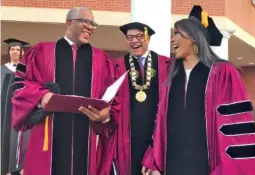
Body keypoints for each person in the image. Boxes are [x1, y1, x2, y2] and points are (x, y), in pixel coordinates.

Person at [141, 5, 255, 175]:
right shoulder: (170, 77)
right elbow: (160, 122)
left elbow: (237, 127)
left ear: (193, 38)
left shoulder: (223, 73)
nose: (172, 39)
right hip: (172, 164)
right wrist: (155, 163)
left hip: (207, 167)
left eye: (177, 33)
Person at [11, 7, 119, 175]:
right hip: (47, 138)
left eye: (93, 24)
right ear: (70, 22)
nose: (90, 27)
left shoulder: (101, 60)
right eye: (86, 21)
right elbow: (19, 84)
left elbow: (113, 98)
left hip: (88, 139)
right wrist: (41, 96)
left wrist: (106, 116)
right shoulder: (41, 52)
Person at [112, 22, 170, 175]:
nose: (134, 41)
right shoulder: (117, 66)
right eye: (129, 37)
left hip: (156, 133)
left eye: (139, 36)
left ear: (148, 38)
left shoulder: (166, 64)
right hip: (128, 134)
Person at [1, 38, 30, 175]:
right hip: (3, 111)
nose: (14, 52)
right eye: (12, 49)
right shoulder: (2, 70)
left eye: (17, 50)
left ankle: (17, 169)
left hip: (20, 111)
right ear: (9, 51)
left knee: (19, 139)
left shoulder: (27, 71)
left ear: (22, 52)